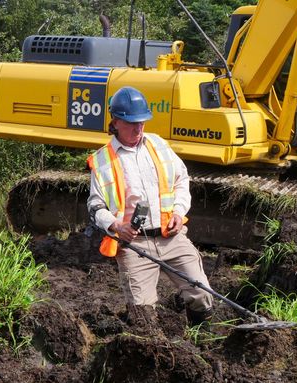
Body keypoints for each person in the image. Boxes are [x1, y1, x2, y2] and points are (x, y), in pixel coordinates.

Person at [86, 86, 213, 326]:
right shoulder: (102, 160)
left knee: (202, 294)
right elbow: (95, 205)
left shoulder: (158, 145)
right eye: (132, 123)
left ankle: (200, 340)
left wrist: (178, 212)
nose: (138, 128)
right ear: (116, 123)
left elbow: (181, 179)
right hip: (135, 245)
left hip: (170, 236)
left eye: (142, 122)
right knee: (143, 316)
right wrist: (116, 225)